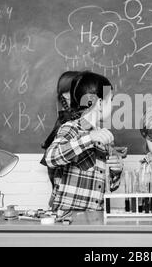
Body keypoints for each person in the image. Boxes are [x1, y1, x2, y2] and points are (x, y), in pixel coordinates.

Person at [44, 71, 123, 211]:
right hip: (68, 219)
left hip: (94, 218)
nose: (113, 105)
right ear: (99, 104)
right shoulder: (72, 128)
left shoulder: (104, 137)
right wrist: (90, 138)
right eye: (110, 100)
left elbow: (109, 186)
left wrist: (115, 172)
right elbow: (51, 158)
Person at [40, 71, 80, 207]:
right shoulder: (68, 124)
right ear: (66, 95)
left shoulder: (83, 120)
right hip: (66, 200)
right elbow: (52, 160)